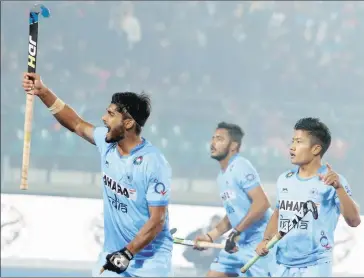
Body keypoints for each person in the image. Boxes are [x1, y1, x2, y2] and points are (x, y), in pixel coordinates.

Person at [22, 73, 173, 277]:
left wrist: (128, 253)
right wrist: (43, 92)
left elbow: (157, 220)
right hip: (112, 257)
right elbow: (75, 123)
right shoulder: (107, 142)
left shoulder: (153, 163)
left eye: (111, 114)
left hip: (149, 265)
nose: (103, 118)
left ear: (128, 123)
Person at [255, 117, 361, 277]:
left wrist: (338, 188)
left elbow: (354, 221)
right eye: (292, 141)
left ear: (316, 149)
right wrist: (266, 239)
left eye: (298, 142)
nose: (292, 147)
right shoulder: (285, 178)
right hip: (281, 265)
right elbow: (278, 213)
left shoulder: (333, 180)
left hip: (315, 266)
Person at [194, 122, 274, 277]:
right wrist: (210, 236)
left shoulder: (240, 165)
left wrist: (236, 232)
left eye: (219, 139)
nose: (213, 143)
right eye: (213, 138)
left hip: (259, 244)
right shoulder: (221, 176)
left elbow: (262, 204)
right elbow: (234, 214)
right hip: (238, 245)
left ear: (233, 146)